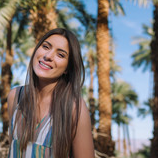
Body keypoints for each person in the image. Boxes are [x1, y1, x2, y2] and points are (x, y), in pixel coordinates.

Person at [7, 28, 95, 158]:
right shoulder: (15, 97)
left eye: (61, 55)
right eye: (46, 47)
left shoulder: (74, 108)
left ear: (67, 69)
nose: (48, 56)